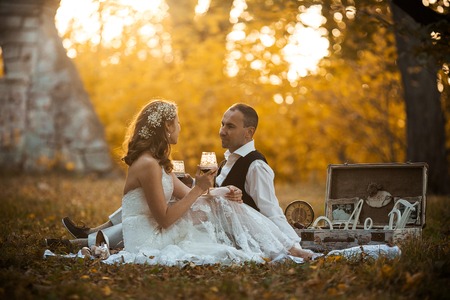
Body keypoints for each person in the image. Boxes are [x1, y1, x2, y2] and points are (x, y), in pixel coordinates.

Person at [48, 99, 313, 264]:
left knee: (214, 205)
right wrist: (200, 189)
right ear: (166, 128)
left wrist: (222, 192)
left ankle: (89, 238)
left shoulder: (159, 164)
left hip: (154, 228)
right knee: (205, 213)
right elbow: (169, 214)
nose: (181, 126)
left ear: (248, 131)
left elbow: (266, 209)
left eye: (229, 126)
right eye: (177, 122)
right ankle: (285, 248)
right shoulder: (149, 165)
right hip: (150, 238)